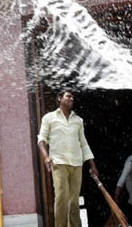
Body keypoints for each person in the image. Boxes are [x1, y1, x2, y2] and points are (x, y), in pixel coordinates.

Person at [37, 90, 99, 227]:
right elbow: (41, 139)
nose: (72, 98)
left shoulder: (78, 120)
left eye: (73, 97)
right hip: (59, 163)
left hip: (77, 164)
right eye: (68, 96)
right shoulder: (49, 118)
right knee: (61, 199)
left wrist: (92, 165)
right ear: (59, 98)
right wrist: (46, 157)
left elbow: (83, 143)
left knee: (74, 201)